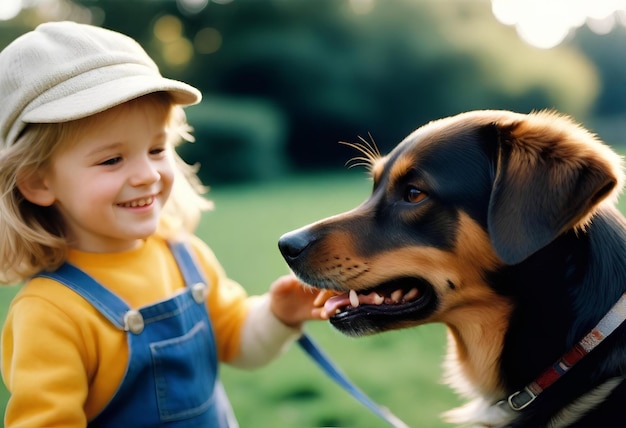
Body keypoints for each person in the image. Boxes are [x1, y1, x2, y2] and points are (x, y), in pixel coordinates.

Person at [0, 21, 327, 427]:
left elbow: (237, 341)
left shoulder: (182, 253)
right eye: (111, 159)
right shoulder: (49, 313)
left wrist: (278, 314)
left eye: (157, 149)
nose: (147, 174)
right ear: (37, 181)